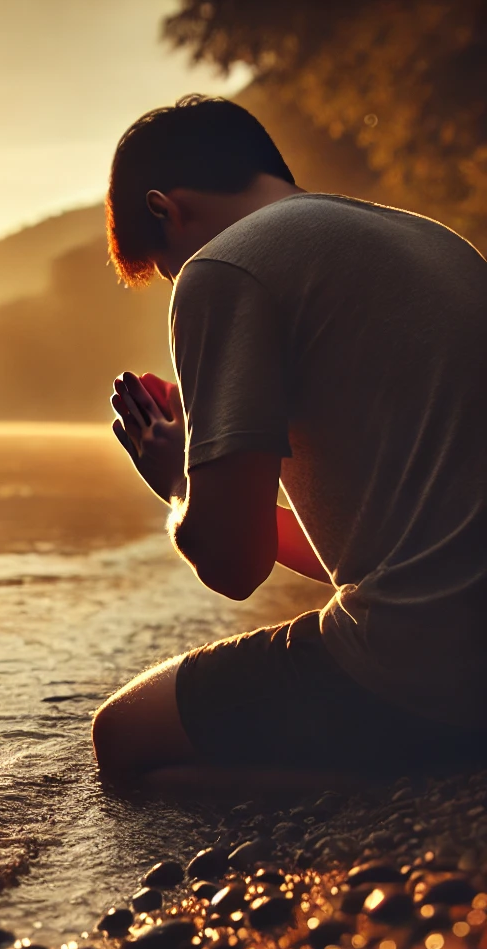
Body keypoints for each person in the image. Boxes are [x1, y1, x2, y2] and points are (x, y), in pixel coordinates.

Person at [93, 95, 486, 775]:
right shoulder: (435, 241)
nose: (179, 279)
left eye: (166, 266)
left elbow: (234, 569)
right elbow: (381, 546)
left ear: (166, 209)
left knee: (121, 735)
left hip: (433, 681)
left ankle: (343, 801)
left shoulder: (223, 268)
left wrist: (181, 482)